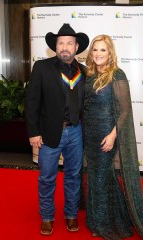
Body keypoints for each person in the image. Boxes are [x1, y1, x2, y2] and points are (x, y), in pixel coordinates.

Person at [83, 34, 143, 240]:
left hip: (107, 135)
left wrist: (113, 135)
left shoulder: (117, 75)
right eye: (95, 49)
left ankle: (107, 224)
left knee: (103, 176)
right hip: (90, 136)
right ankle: (97, 220)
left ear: (110, 52)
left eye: (103, 49)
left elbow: (124, 111)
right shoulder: (89, 75)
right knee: (95, 177)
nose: (98, 54)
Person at [25, 23, 89, 236]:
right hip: (50, 133)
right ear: (55, 46)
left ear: (76, 46)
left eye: (69, 43)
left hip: (76, 132)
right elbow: (32, 102)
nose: (64, 47)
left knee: (73, 176)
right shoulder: (42, 68)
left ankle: (71, 214)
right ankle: (47, 217)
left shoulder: (84, 72)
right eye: (61, 43)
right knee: (47, 178)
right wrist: (33, 132)